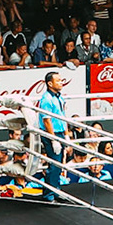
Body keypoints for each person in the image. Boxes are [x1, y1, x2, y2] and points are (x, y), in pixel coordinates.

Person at [34, 70, 71, 199]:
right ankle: (49, 193)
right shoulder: (46, 99)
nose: (61, 82)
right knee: (54, 164)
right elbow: (47, 120)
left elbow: (63, 116)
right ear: (50, 83)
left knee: (59, 164)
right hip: (51, 134)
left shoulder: (59, 97)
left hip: (60, 132)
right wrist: (54, 139)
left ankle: (56, 190)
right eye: (58, 81)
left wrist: (66, 134)